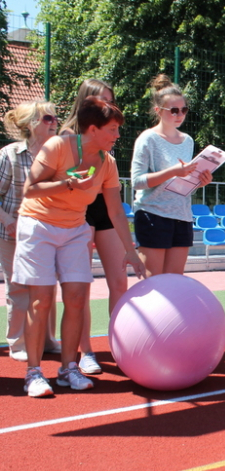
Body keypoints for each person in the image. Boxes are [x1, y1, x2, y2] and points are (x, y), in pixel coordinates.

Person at [13, 97, 145, 397]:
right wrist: (70, 184)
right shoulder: (58, 146)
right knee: (41, 299)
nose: (117, 136)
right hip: (38, 226)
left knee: (75, 297)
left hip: (75, 228)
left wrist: (130, 250)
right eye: (112, 130)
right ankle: (33, 373)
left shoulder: (108, 163)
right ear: (93, 129)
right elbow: (30, 189)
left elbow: (114, 211)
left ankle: (67, 368)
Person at [60, 79, 125, 374]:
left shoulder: (109, 133)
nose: (108, 106)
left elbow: (108, 178)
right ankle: (85, 351)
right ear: (86, 101)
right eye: (102, 100)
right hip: (78, 213)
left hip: (106, 212)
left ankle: (123, 344)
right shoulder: (66, 136)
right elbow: (74, 179)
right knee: (82, 286)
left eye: (110, 101)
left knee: (119, 281)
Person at [130, 74, 213, 278]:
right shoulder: (147, 139)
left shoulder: (188, 141)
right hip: (153, 214)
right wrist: (173, 171)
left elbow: (182, 180)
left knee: (175, 281)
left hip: (182, 216)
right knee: (153, 282)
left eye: (183, 110)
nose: (179, 114)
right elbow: (137, 181)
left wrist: (199, 182)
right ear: (158, 111)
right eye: (174, 110)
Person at [0, 101, 61, 362]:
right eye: (48, 118)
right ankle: (18, 343)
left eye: (55, 119)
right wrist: (6, 220)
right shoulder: (10, 155)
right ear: (31, 124)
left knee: (46, 289)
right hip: (12, 234)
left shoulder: (58, 154)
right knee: (18, 289)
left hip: (46, 234)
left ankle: (46, 340)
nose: (54, 123)